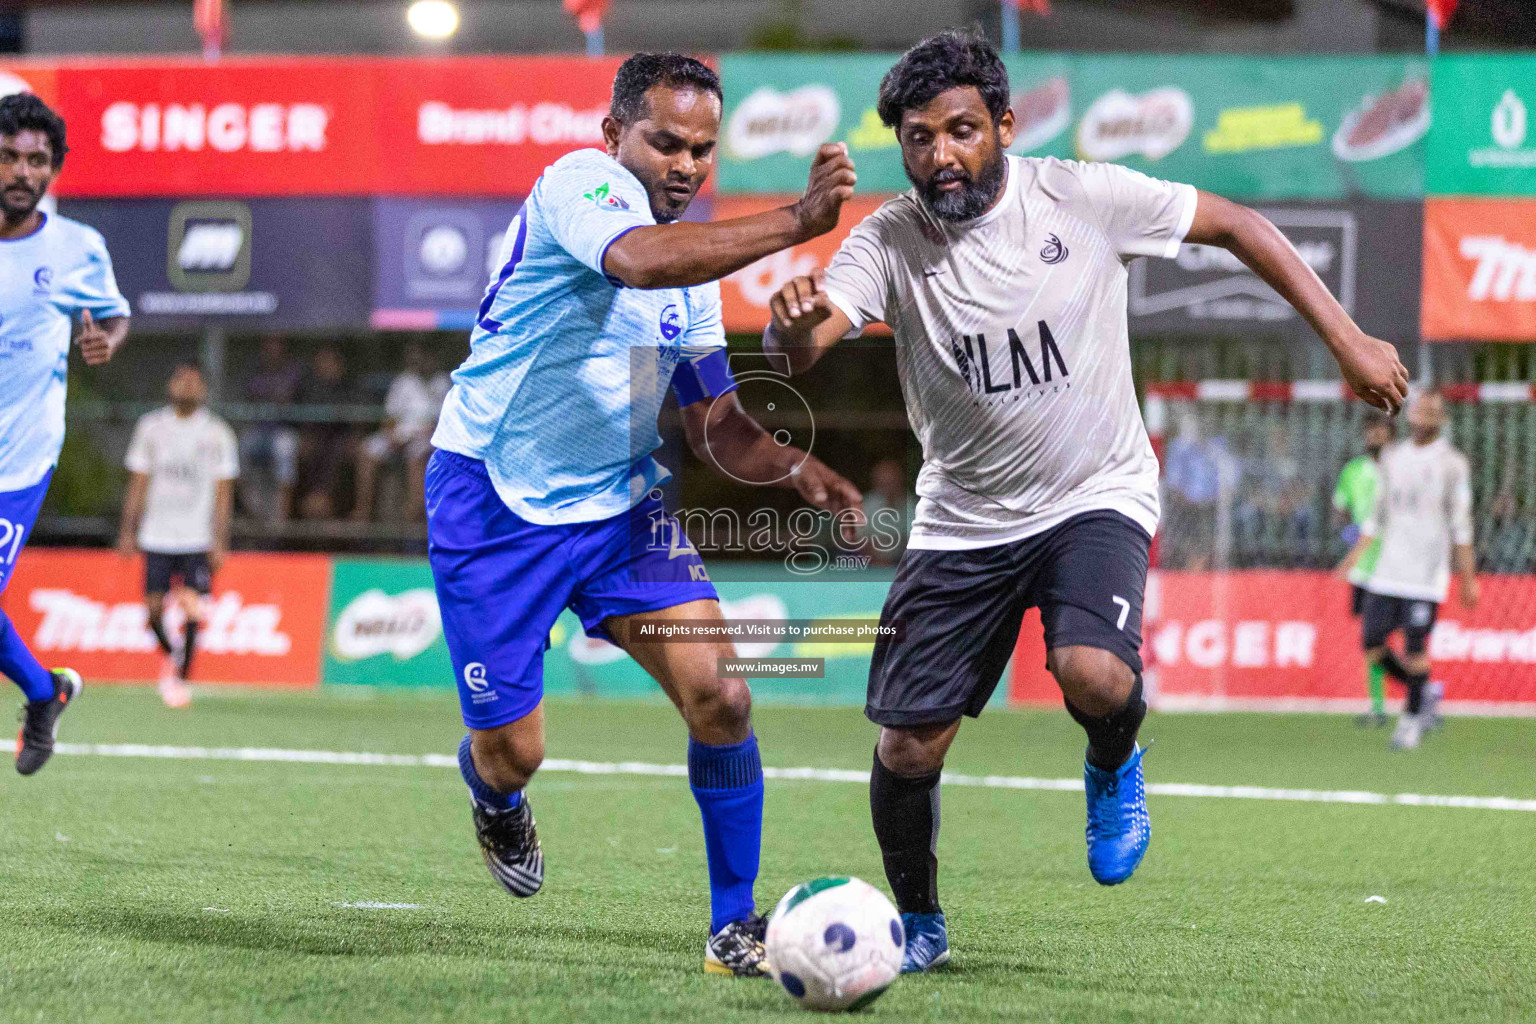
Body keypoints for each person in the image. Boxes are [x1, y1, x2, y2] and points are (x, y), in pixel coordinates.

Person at [764, 30, 1409, 973]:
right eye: (918, 137)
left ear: (1005, 127)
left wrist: (1348, 340)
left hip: (1093, 493)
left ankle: (1112, 762)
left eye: (961, 130)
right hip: (963, 519)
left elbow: (1237, 226)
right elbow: (810, 343)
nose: (941, 154)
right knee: (907, 746)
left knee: (1095, 675)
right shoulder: (889, 238)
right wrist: (787, 333)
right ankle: (922, 922)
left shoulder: (1082, 195)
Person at [426, 53, 860, 976]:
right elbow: (636, 261)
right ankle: (493, 796)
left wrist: (791, 468)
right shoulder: (576, 187)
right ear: (613, 134)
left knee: (723, 695)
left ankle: (733, 926)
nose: (685, 165)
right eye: (666, 142)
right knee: (513, 753)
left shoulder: (693, 260)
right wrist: (796, 221)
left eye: (702, 150)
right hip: (493, 500)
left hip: (620, 507)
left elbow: (713, 424)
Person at [0, 92, 130, 775]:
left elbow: (113, 314)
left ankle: (44, 692)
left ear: (52, 171)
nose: (22, 171)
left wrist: (106, 340)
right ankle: (46, 690)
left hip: (17, 459)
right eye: (10, 156)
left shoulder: (78, 247)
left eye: (37, 161)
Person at [1340, 390, 1477, 752]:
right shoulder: (1392, 458)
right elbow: (1377, 517)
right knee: (1371, 645)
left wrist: (1468, 577)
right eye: (1420, 409)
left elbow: (1462, 525)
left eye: (1433, 411)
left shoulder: (1453, 464)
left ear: (1442, 420)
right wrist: (1355, 556)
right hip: (1387, 573)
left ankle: (1411, 720)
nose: (1424, 416)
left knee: (1416, 649)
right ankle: (1426, 692)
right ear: (1410, 415)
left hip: (1425, 576)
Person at [117, 364, 238, 709]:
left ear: (204, 390)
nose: (186, 385)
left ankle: (181, 677)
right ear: (170, 385)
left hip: (196, 536)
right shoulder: (151, 427)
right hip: (156, 534)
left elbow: (223, 491)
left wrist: (220, 539)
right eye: (180, 378)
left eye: (193, 381)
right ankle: (175, 656)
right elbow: (138, 482)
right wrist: (128, 529)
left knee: (192, 606)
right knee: (153, 611)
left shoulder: (217, 433)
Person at [1332, 410, 1394, 726]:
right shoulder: (1354, 471)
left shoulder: (1399, 469)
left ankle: (1420, 695)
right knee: (1372, 639)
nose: (1375, 436)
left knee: (1406, 637)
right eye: (1370, 430)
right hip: (1365, 567)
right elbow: (1340, 509)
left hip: (1398, 565)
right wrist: (1346, 531)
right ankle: (1379, 705)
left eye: (1380, 430)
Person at [354, 340, 449, 522]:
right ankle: (363, 511)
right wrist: (391, 435)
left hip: (428, 437)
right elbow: (389, 417)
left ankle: (413, 513)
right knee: (367, 450)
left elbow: (442, 422)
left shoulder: (443, 382)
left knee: (415, 455)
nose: (421, 360)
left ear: (434, 358)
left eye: (426, 356)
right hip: (398, 435)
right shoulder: (403, 381)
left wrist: (421, 434)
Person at [238, 336, 302, 523]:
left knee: (285, 450)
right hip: (258, 430)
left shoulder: (293, 370)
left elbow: (289, 397)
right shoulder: (256, 370)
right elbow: (251, 394)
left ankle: (281, 521)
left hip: (283, 429)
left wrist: (275, 396)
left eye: (277, 345)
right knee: (241, 448)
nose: (272, 350)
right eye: (269, 346)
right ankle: (254, 514)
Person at [295, 346, 360, 520]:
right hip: (316, 437)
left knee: (339, 451)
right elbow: (297, 417)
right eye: (322, 362)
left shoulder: (349, 386)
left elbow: (357, 419)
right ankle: (312, 499)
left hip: (340, 438)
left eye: (330, 362)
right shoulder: (309, 387)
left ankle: (327, 501)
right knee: (307, 449)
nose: (326, 366)